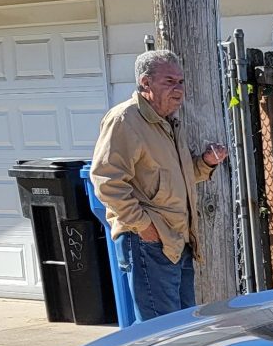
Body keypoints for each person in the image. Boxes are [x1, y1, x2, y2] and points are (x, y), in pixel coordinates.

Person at [89, 49, 228, 321]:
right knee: (159, 331)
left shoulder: (168, 122)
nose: (178, 89)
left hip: (178, 240)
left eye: (180, 82)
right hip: (150, 241)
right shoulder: (125, 120)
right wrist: (144, 226)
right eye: (169, 82)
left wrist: (207, 162)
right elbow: (106, 180)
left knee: (182, 326)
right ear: (145, 83)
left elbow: (179, 177)